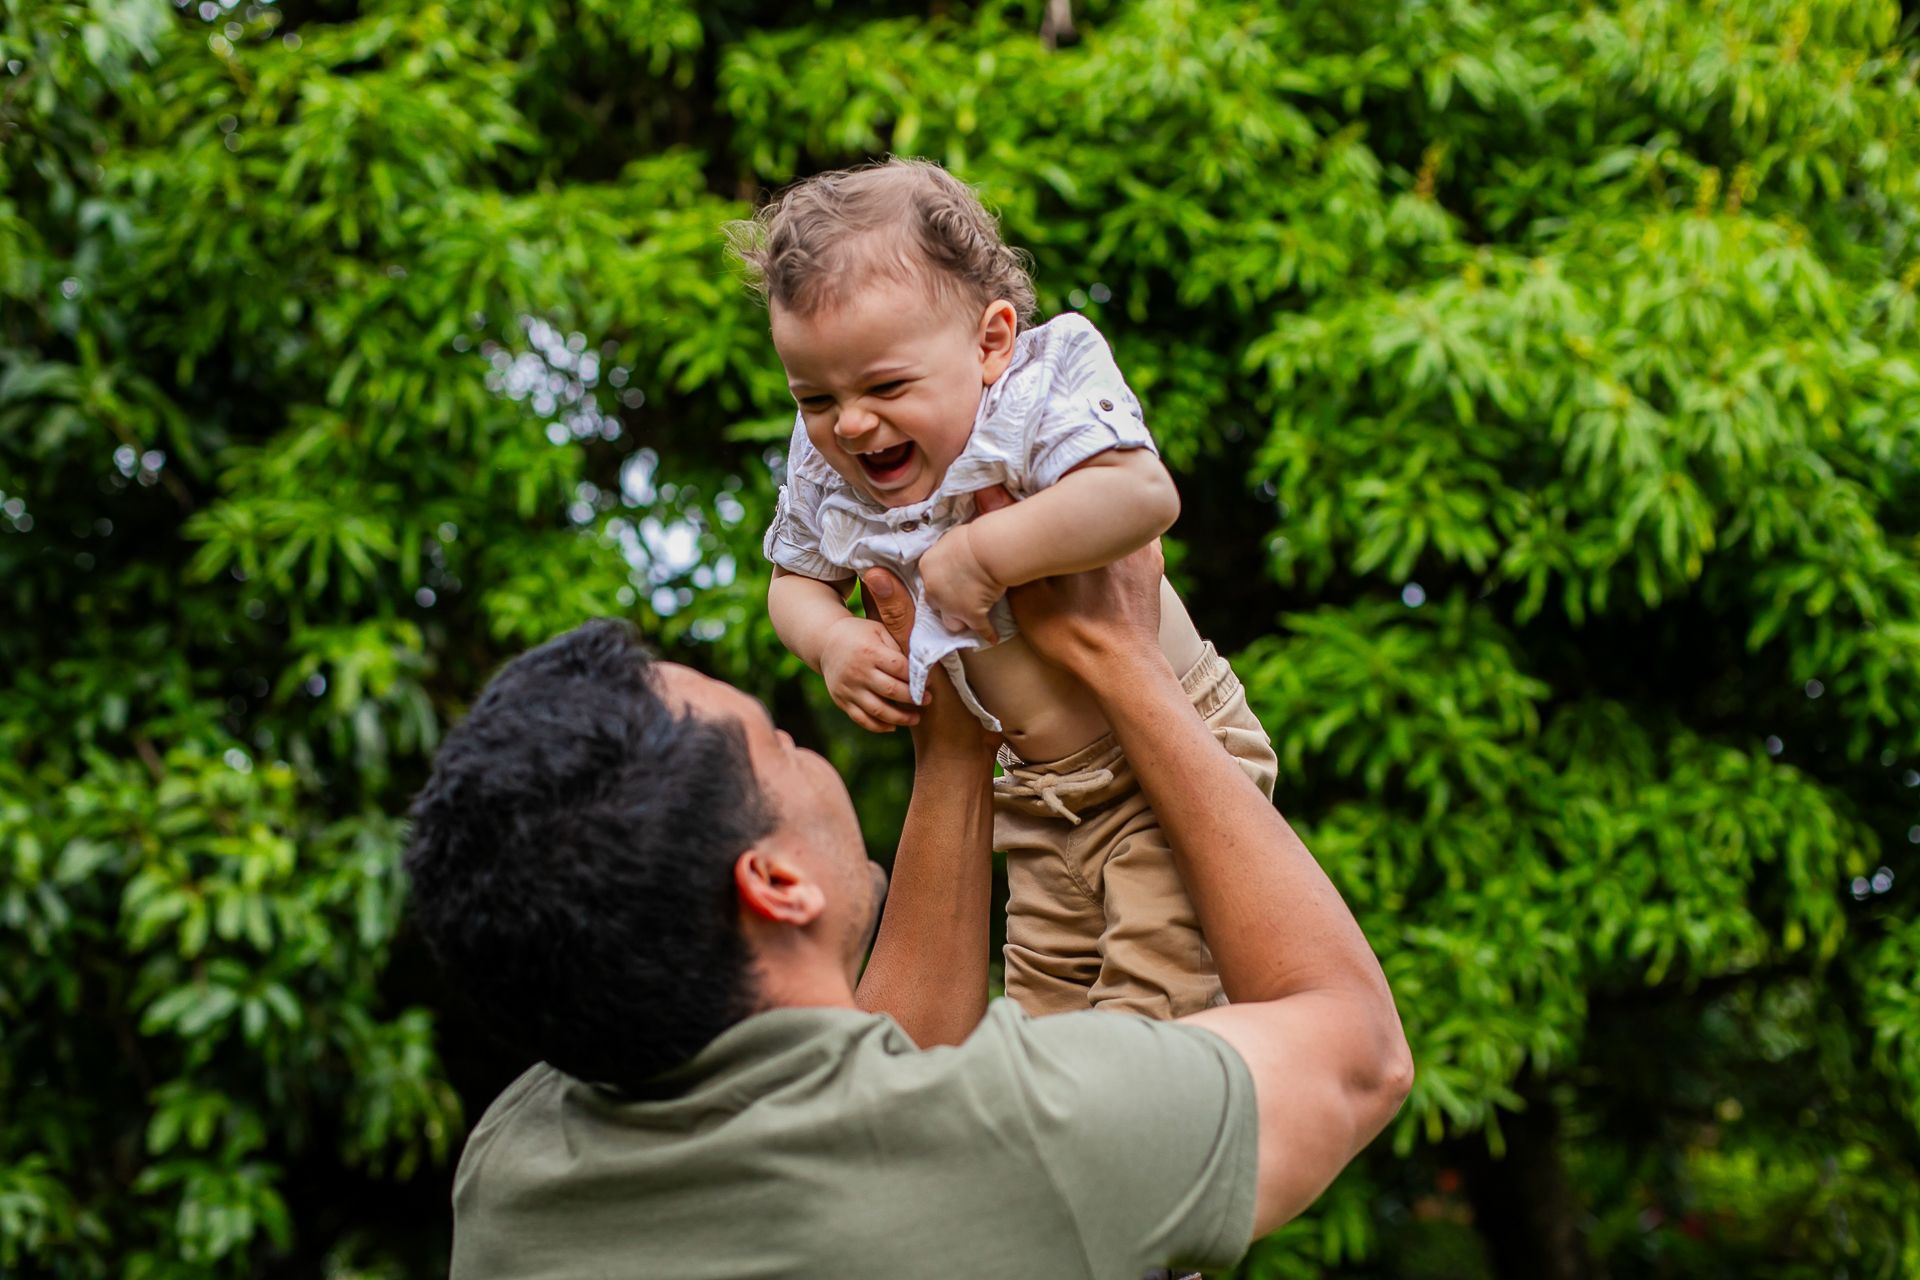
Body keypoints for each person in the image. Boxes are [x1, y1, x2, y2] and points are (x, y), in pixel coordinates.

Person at [405, 526, 1412, 1278]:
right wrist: (1126, 660)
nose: (805, 750)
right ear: (774, 880)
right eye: (781, 742)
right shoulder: (1021, 1141)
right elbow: (1357, 1052)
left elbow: (863, 1076)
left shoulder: (515, 1169)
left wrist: (958, 744)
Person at [732, 157, 1278, 1020]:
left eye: (885, 386)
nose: (851, 423)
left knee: (1153, 1005)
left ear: (989, 342)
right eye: (815, 397)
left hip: (1162, 761)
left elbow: (1143, 495)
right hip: (1034, 797)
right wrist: (831, 640)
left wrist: (988, 554)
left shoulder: (1038, 387)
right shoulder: (828, 462)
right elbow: (792, 582)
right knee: (1040, 1011)